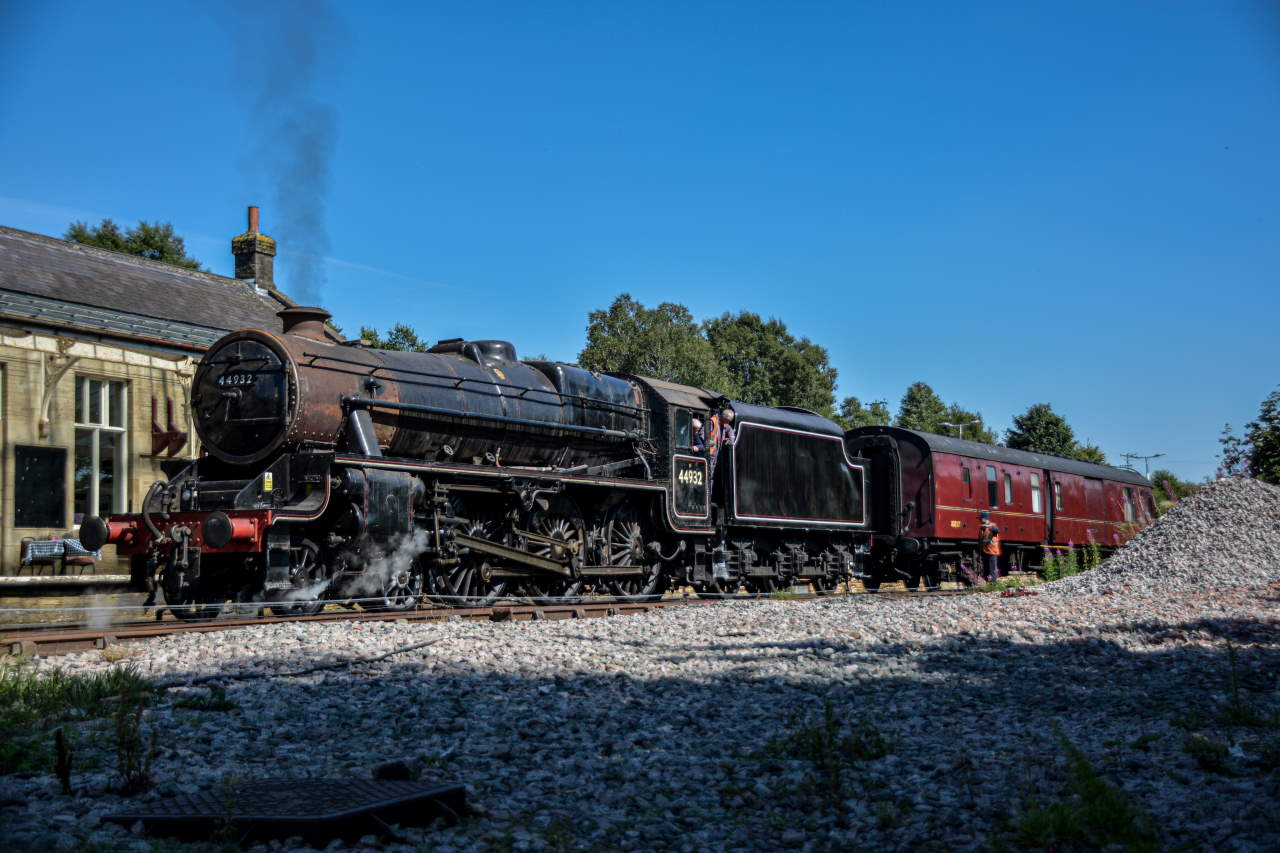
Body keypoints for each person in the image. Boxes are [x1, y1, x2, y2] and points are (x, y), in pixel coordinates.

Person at [979, 511, 1001, 581]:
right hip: (986, 552)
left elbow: (997, 530)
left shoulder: (992, 525)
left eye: (980, 518)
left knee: (992, 571)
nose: (979, 520)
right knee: (986, 571)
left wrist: (988, 526)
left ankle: (994, 586)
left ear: (984, 519)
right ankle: (987, 586)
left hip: (992, 552)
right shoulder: (982, 529)